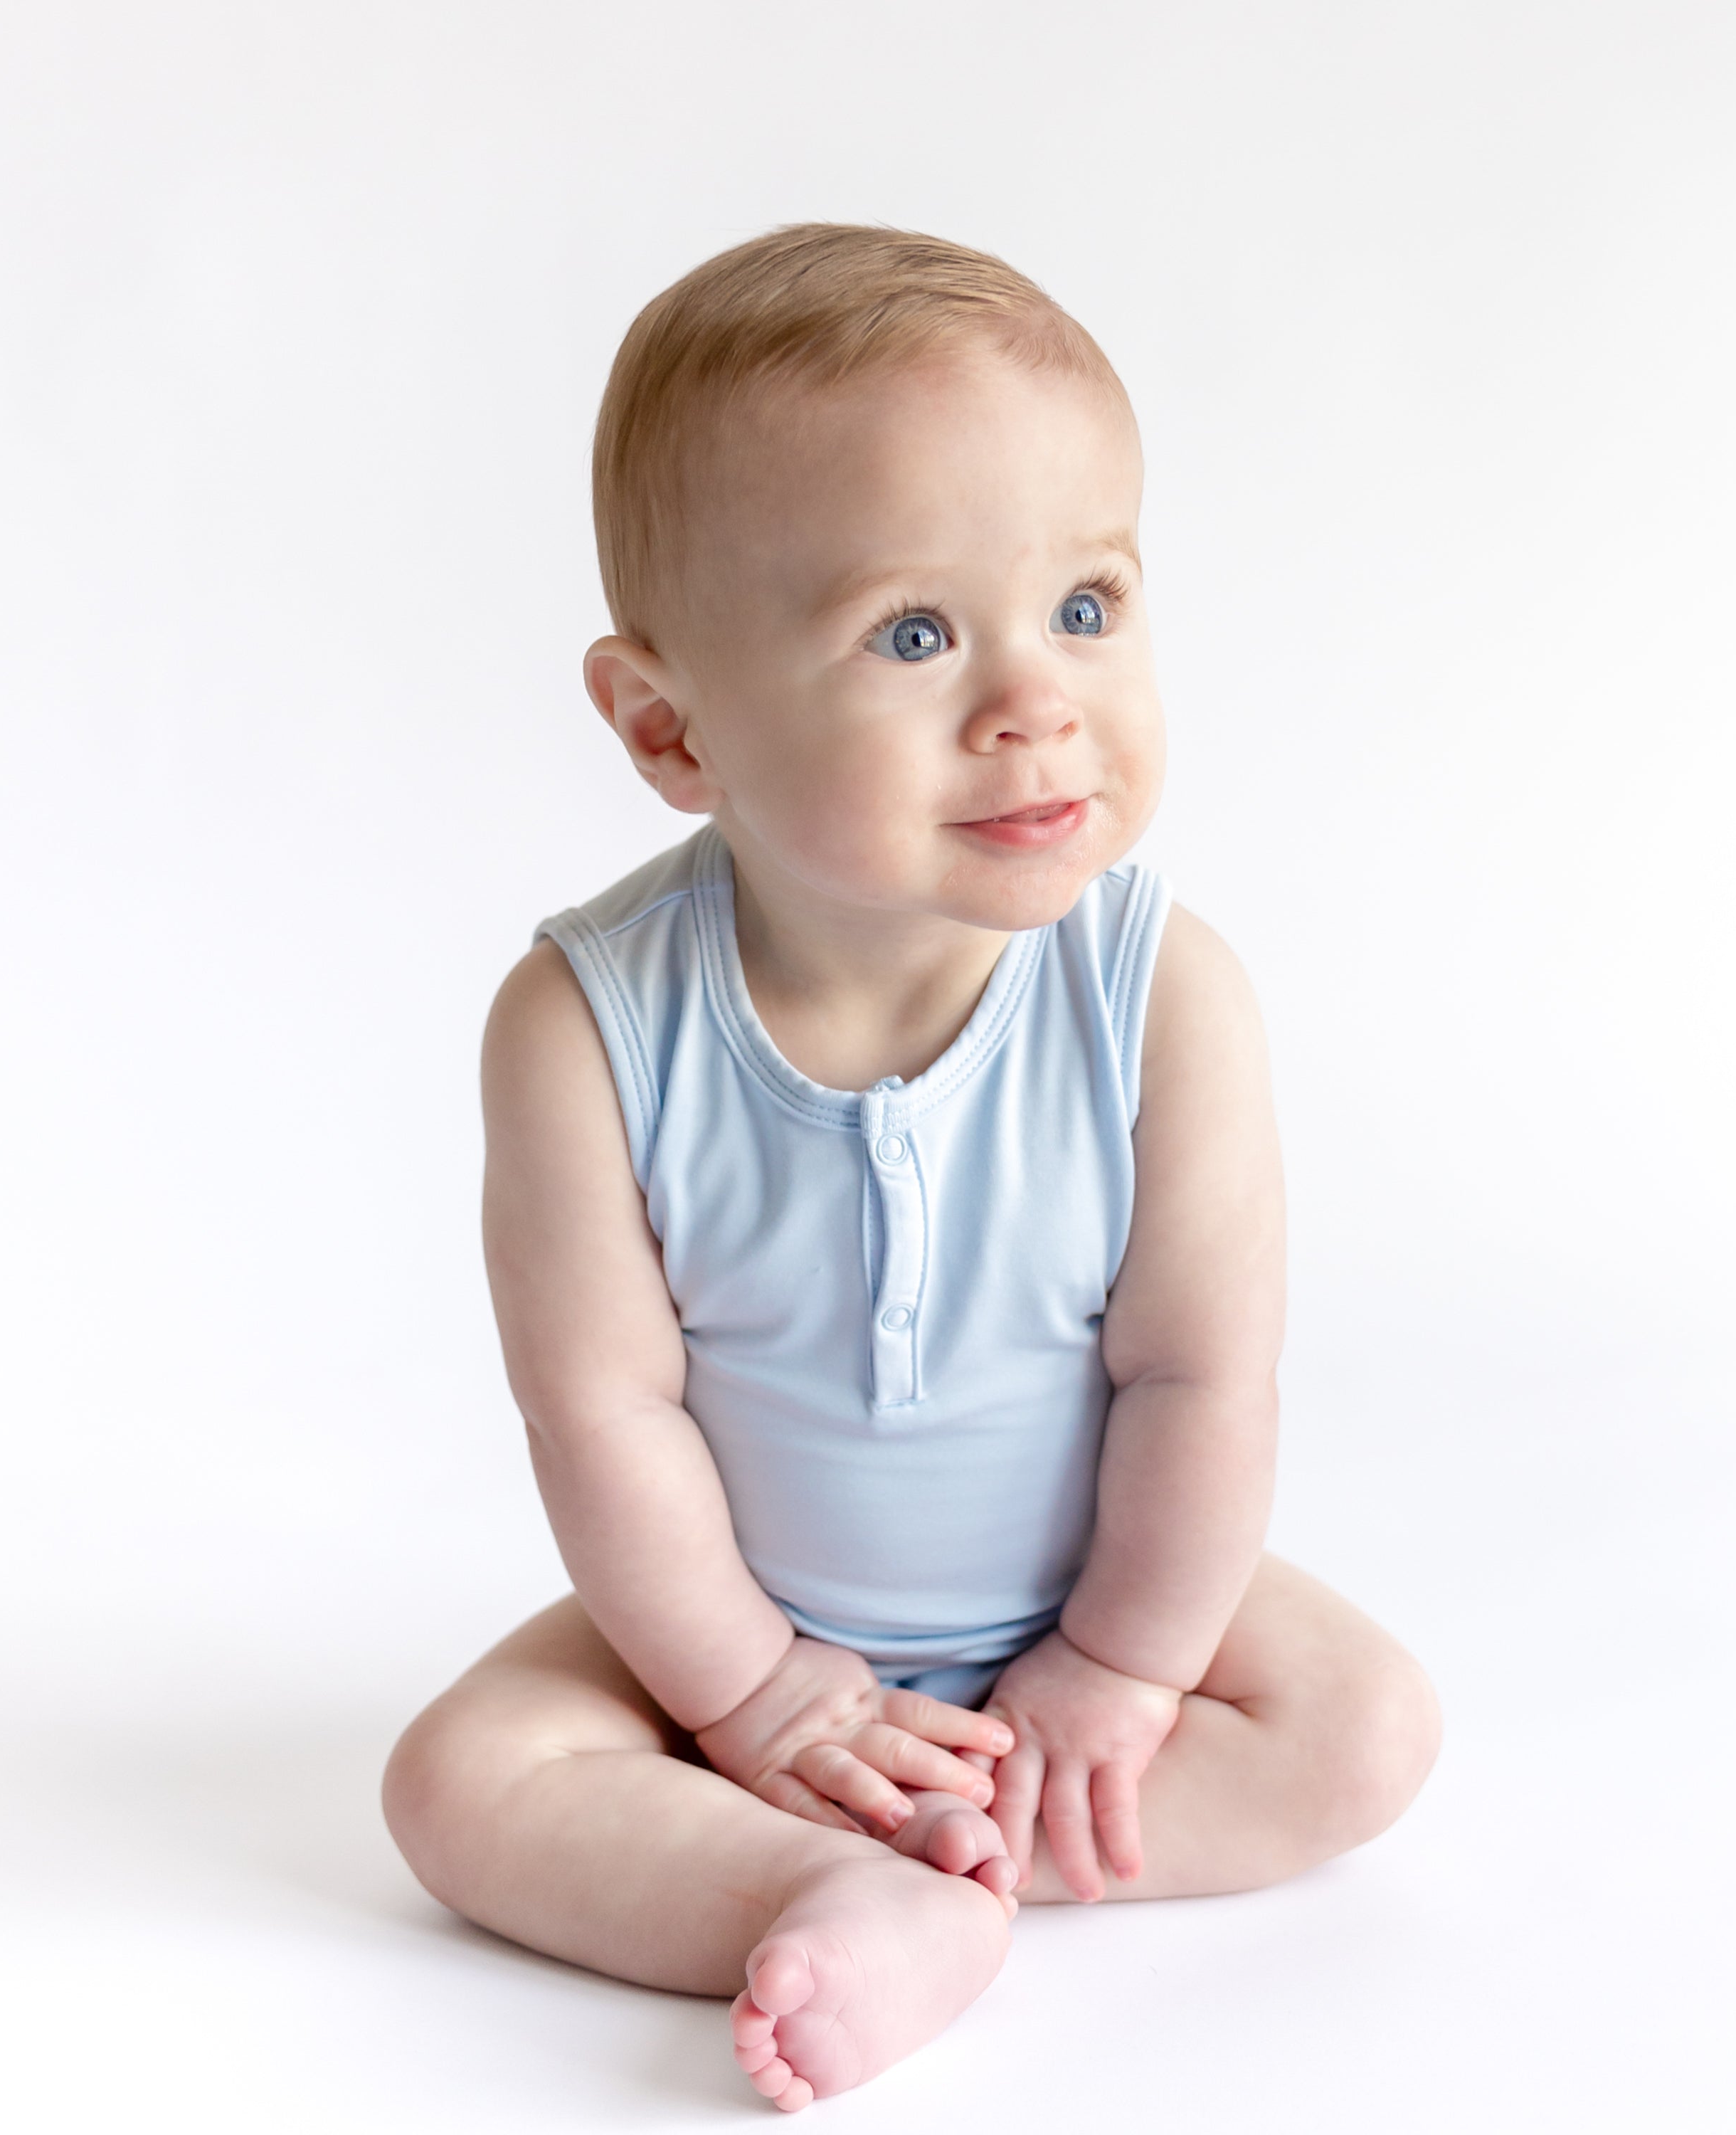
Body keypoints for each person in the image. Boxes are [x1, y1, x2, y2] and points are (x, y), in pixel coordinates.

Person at [382, 223, 1441, 2113]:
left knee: (1363, 1728)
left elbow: (1201, 1380)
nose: (1036, 700)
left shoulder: (1162, 998)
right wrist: (753, 1693)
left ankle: (956, 1843)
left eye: (1088, 604)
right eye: (916, 634)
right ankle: (830, 1876)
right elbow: (602, 1416)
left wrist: (1120, 1667)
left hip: (1086, 1603)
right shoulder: (586, 1028)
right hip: (741, 1630)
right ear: (671, 727)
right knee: (459, 1784)